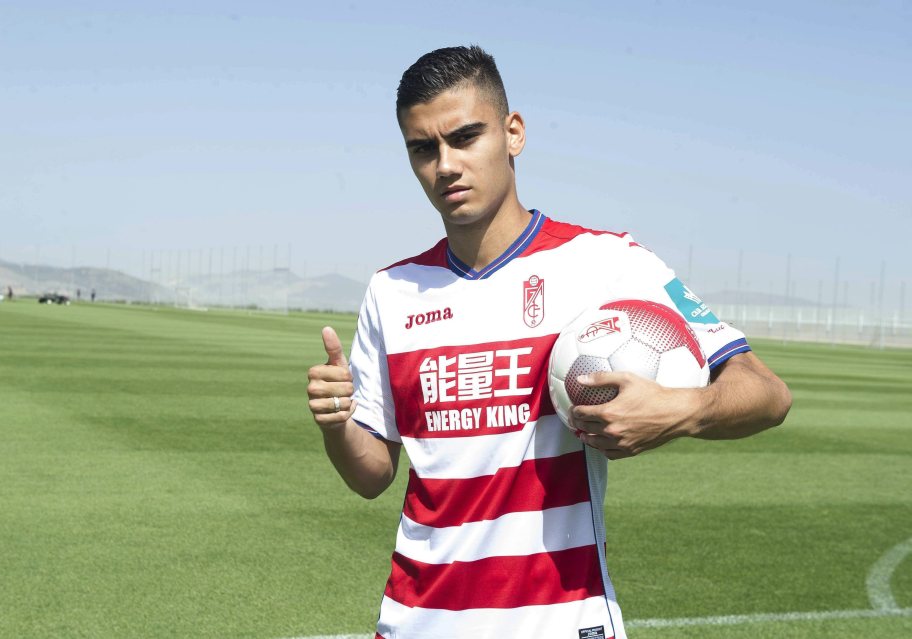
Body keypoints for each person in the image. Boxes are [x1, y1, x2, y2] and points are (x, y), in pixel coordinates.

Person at [306, 45, 791, 639]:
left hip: (562, 623)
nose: (446, 165)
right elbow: (372, 475)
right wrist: (337, 424)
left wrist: (683, 410)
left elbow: (765, 392)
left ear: (514, 133)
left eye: (465, 137)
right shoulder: (393, 291)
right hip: (418, 623)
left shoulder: (606, 262)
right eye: (423, 148)